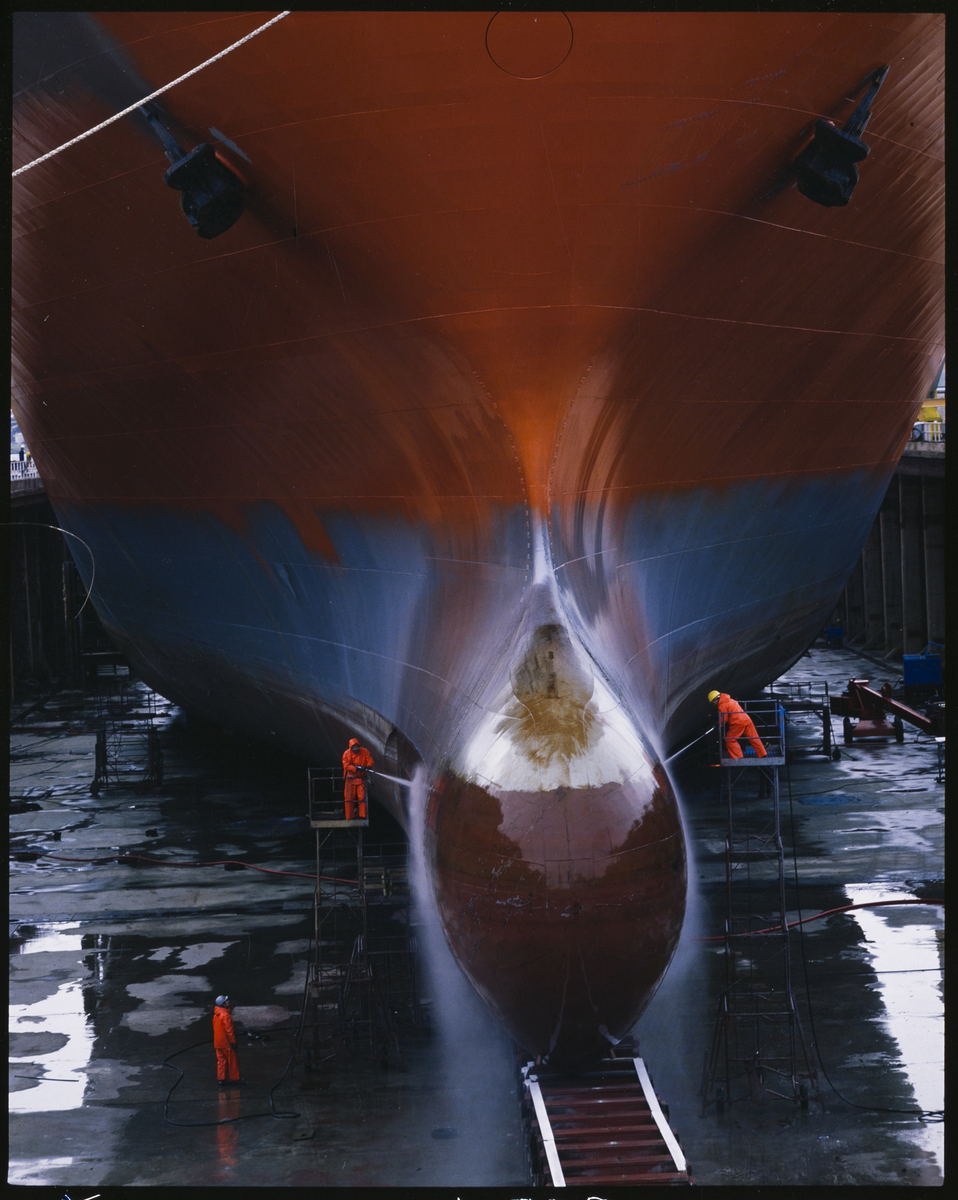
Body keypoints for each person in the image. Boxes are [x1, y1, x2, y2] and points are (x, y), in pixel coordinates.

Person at [708, 690, 767, 759]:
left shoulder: (722, 705)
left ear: (715, 699)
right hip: (746, 719)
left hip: (737, 722)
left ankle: (738, 757)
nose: (713, 704)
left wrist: (718, 724)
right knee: (753, 737)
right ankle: (762, 754)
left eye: (713, 702)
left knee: (729, 739)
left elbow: (725, 719)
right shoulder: (730, 700)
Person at [213, 995, 243, 1087]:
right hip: (227, 1043)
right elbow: (229, 1031)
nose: (229, 1001)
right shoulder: (225, 1015)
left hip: (218, 1043)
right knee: (232, 1061)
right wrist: (233, 1042)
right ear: (224, 1004)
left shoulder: (216, 1015)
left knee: (221, 1062)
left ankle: (221, 1080)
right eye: (227, 1001)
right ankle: (235, 1079)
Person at [342, 737, 373, 820]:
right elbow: (346, 765)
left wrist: (368, 766)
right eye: (354, 749)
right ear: (351, 748)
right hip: (350, 779)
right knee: (349, 798)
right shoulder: (346, 754)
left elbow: (370, 761)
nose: (356, 750)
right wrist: (356, 768)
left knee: (361, 797)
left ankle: (363, 815)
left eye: (357, 748)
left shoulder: (364, 751)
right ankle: (349, 816)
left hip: (360, 778)